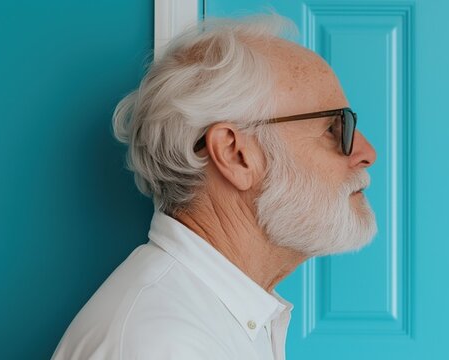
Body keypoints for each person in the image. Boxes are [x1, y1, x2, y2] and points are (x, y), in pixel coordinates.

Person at [52, 14, 378, 360]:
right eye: (333, 128)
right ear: (235, 154)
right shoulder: (161, 345)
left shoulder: (220, 317)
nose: (367, 152)